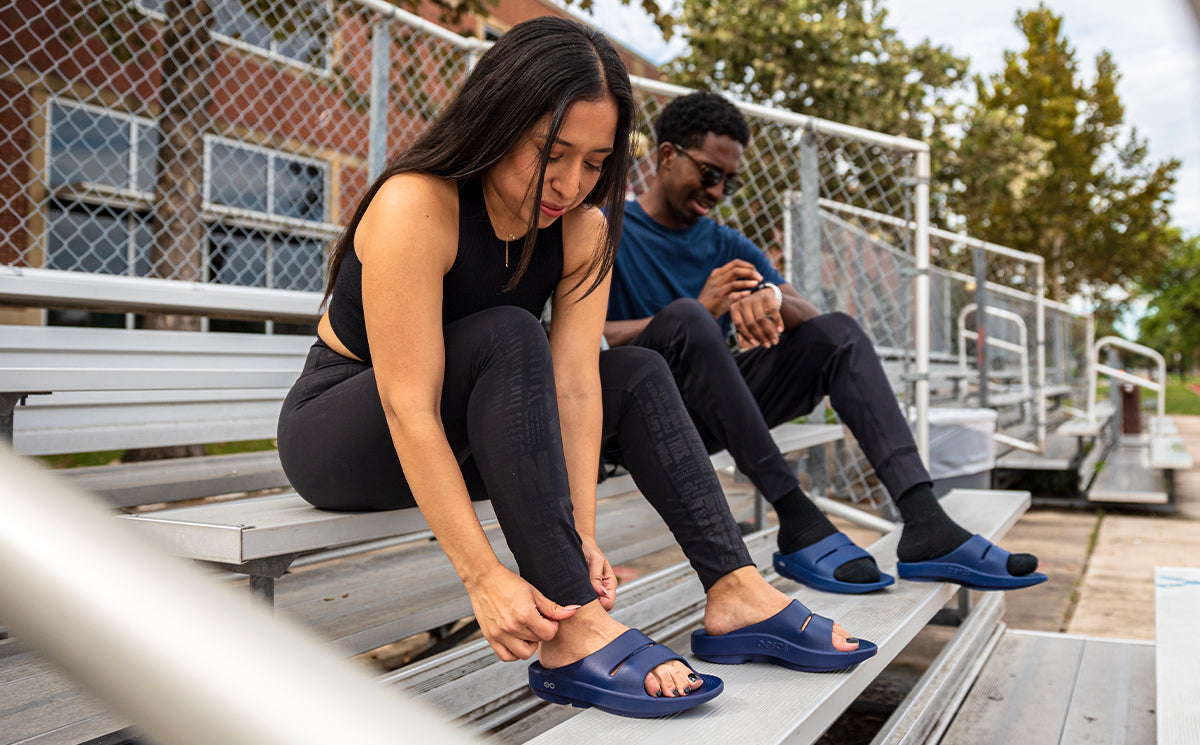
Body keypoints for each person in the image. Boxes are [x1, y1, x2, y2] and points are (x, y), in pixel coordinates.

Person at [277, 18, 875, 720]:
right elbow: (410, 404)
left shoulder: (583, 227)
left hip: (466, 429)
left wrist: (580, 534)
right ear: (498, 120)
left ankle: (736, 589)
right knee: (508, 332)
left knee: (639, 371)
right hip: (348, 430)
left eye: (595, 161)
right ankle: (573, 633)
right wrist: (485, 575)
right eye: (551, 152)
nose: (570, 182)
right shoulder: (418, 203)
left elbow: (575, 385)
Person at [605, 91, 1047, 595]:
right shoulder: (608, 227)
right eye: (709, 173)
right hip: (635, 418)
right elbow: (581, 340)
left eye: (731, 180)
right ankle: (796, 517)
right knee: (687, 316)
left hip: (712, 410)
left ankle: (926, 523)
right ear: (666, 156)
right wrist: (700, 312)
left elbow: (819, 325)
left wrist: (770, 297)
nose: (719, 191)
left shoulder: (728, 246)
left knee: (837, 333)